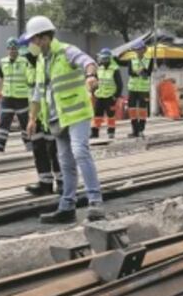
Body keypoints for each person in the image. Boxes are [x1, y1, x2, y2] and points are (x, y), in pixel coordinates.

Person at [23, 15, 105, 223]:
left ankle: (95, 202)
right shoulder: (41, 60)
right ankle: (67, 206)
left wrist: (91, 76)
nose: (32, 44)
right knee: (65, 162)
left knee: (80, 152)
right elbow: (37, 93)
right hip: (56, 118)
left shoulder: (66, 51)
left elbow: (88, 62)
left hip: (76, 114)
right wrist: (32, 119)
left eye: (33, 40)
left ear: (43, 38)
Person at [23, 41, 63, 196]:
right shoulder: (28, 66)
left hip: (50, 113)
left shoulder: (47, 62)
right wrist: (30, 117)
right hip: (35, 115)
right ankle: (45, 183)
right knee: (38, 149)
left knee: (54, 150)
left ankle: (62, 182)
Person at [0, 37, 30, 152]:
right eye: (10, 49)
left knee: (24, 121)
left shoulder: (24, 62)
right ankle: (0, 144)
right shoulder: (3, 62)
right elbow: (1, 79)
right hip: (7, 96)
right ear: (7, 49)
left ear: (18, 49)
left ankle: (29, 143)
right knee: (4, 120)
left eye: (15, 49)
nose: (13, 51)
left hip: (22, 97)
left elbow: (30, 78)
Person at [91, 47, 122, 139]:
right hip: (100, 96)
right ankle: (95, 133)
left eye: (106, 59)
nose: (104, 61)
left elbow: (119, 84)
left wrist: (115, 96)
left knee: (110, 116)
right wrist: (93, 92)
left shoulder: (115, 69)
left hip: (110, 97)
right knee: (97, 115)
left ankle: (111, 132)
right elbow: (96, 82)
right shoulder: (99, 68)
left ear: (109, 58)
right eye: (102, 59)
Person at [127, 39, 154, 138]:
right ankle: (135, 130)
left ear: (144, 49)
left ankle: (141, 129)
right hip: (132, 88)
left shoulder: (149, 59)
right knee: (132, 110)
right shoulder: (131, 59)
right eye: (135, 50)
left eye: (138, 49)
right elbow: (130, 72)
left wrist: (144, 71)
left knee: (142, 110)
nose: (137, 52)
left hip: (144, 89)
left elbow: (149, 72)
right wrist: (137, 73)